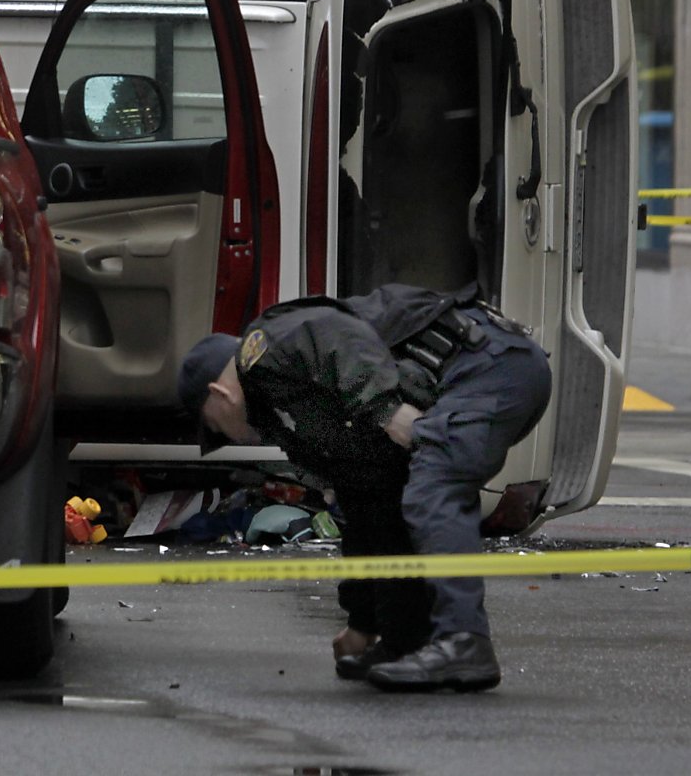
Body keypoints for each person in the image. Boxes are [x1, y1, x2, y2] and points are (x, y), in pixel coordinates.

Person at [177, 285, 552, 692]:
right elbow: (363, 501)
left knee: (433, 488)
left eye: (214, 426)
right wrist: (363, 623)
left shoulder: (264, 349)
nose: (225, 436)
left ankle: (465, 642)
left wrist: (386, 410)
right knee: (384, 497)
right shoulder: (284, 404)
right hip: (483, 371)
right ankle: (404, 641)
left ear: (219, 394)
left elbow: (331, 329)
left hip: (489, 366)